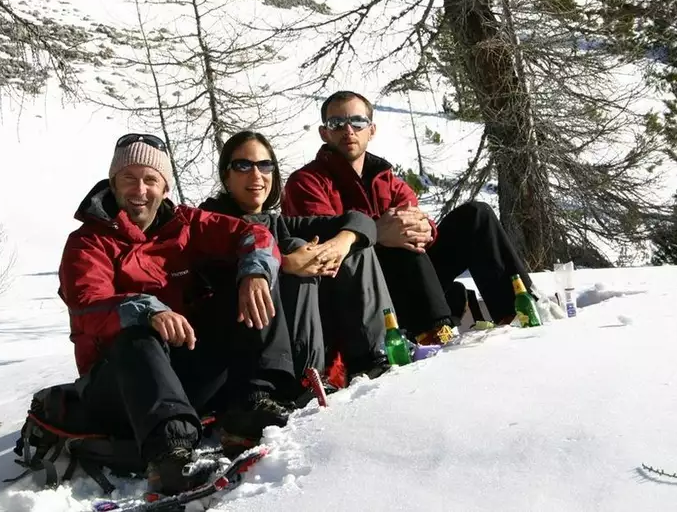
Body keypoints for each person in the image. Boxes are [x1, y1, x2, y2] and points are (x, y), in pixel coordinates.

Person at [58, 133, 295, 496]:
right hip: (119, 385)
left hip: (179, 373)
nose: (140, 189)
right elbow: (88, 307)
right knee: (134, 334)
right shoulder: (88, 242)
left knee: (252, 279)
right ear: (113, 182)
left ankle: (249, 402)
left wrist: (254, 271)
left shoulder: (185, 223)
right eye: (129, 178)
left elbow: (253, 233)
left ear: (165, 186)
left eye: (150, 179)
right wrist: (147, 310)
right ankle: (170, 458)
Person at [283, 91, 534, 342]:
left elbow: (417, 221)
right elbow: (323, 246)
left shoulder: (386, 178)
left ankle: (520, 308)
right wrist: (378, 234)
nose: (348, 130)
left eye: (357, 122)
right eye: (337, 123)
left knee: (475, 216)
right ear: (324, 132)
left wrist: (427, 229)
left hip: (411, 281)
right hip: (358, 292)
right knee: (400, 243)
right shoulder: (306, 183)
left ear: (371, 130)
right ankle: (436, 333)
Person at [200, 131, 390, 387]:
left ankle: (373, 358)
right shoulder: (207, 221)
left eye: (265, 165)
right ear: (226, 175)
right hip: (237, 343)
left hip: (298, 331)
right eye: (243, 165)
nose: (256, 175)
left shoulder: (277, 222)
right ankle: (307, 379)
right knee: (295, 247)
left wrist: (340, 244)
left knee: (354, 244)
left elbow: (360, 221)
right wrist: (288, 262)